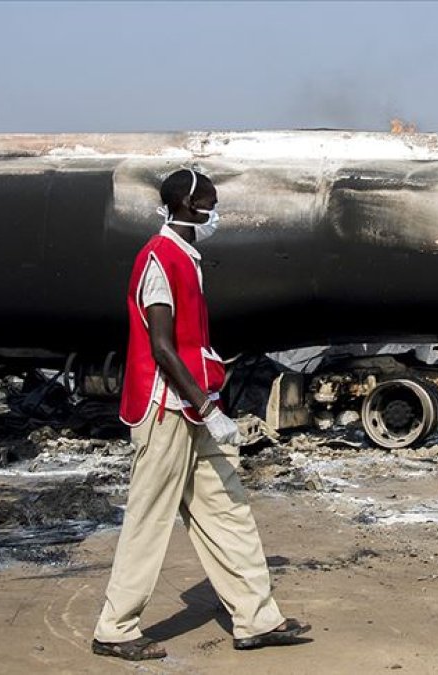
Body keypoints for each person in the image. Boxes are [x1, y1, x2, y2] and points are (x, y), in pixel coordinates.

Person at [91, 168, 309, 661]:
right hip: (166, 409)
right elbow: (162, 347)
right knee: (149, 517)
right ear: (189, 206)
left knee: (228, 509)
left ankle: (256, 619)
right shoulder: (159, 258)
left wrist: (207, 405)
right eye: (211, 202)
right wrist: (209, 409)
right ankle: (115, 629)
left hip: (193, 407)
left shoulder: (186, 258)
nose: (216, 211)